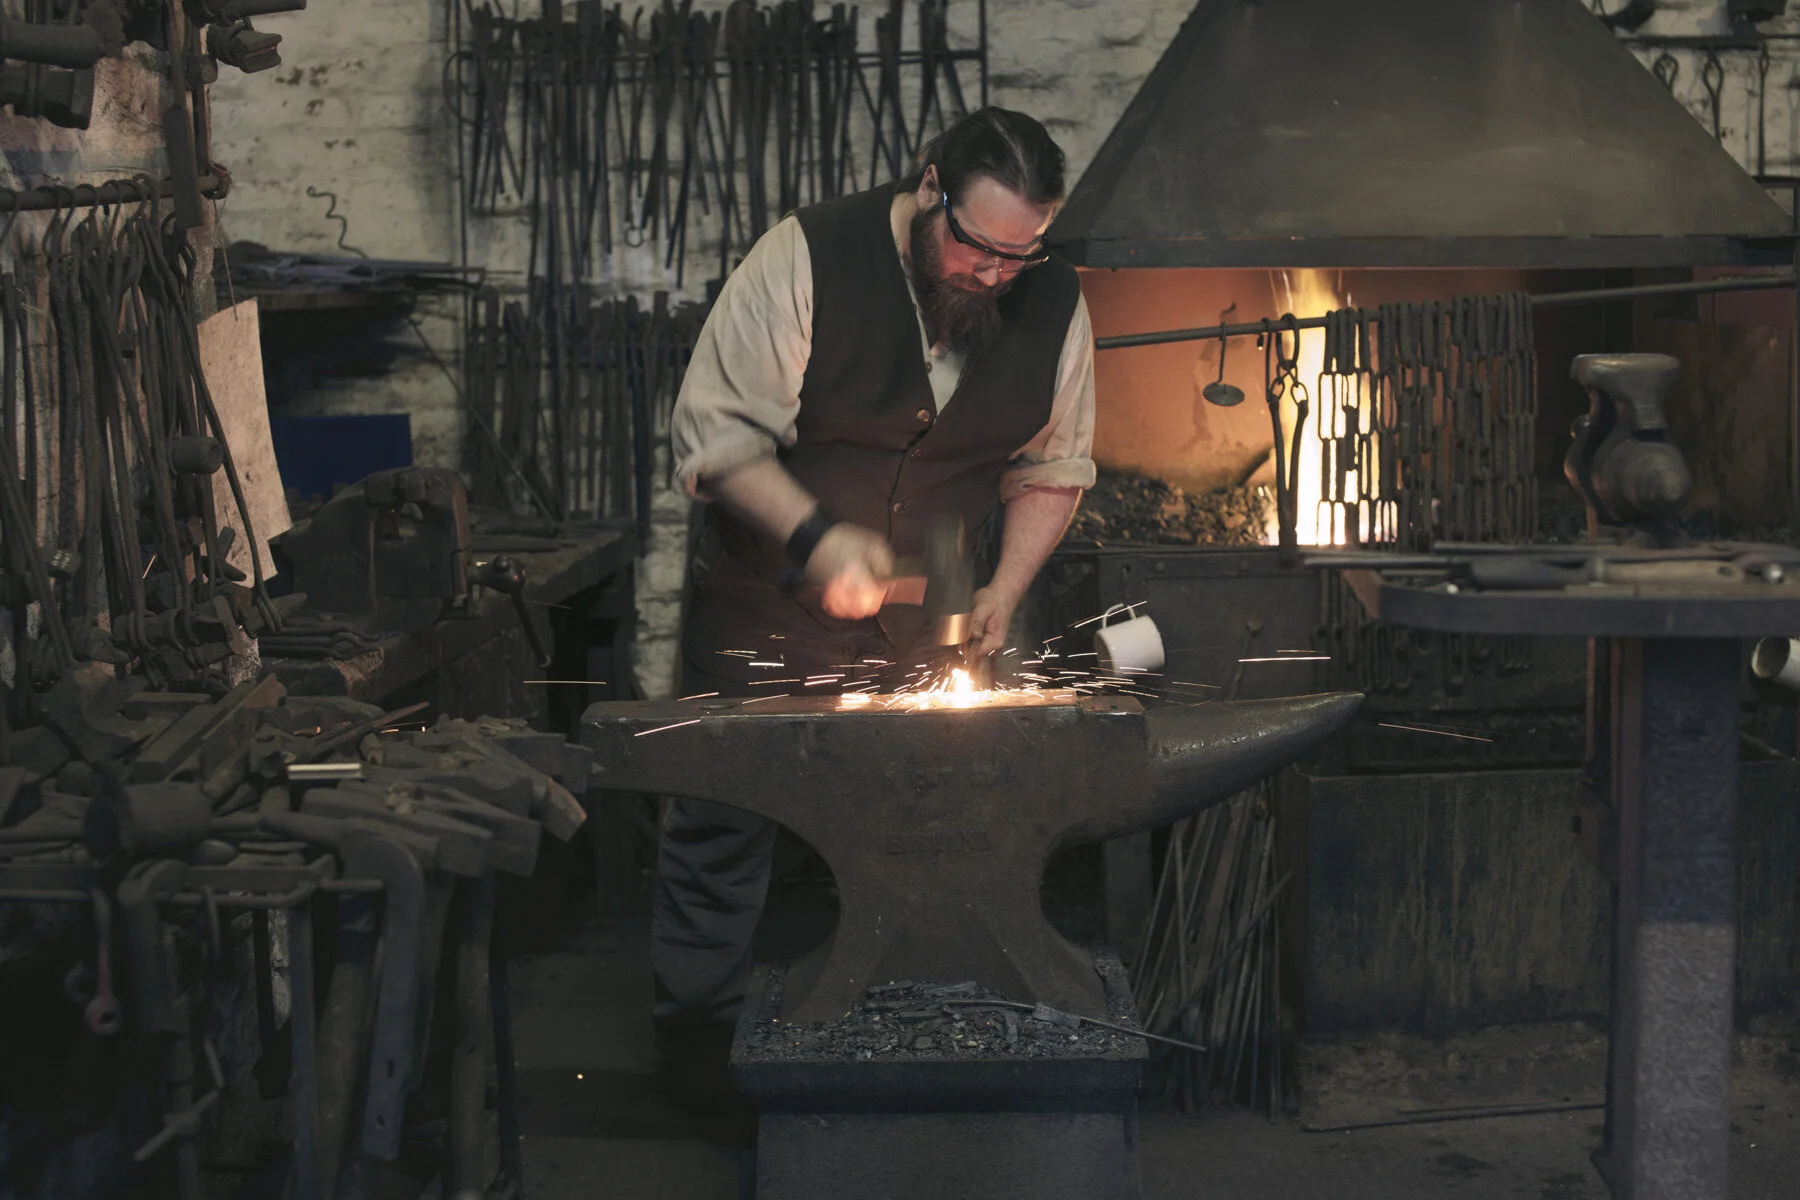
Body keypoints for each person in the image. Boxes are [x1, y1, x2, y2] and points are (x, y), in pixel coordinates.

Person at [654, 106, 1097, 1097]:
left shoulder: (1055, 299)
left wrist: (1002, 591)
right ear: (930, 185)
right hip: (767, 600)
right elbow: (715, 436)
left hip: (931, 614)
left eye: (1018, 257)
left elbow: (1053, 468)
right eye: (977, 247)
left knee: (926, 818)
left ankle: (899, 1041)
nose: (993, 275)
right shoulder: (806, 256)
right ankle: (693, 1058)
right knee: (725, 825)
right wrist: (815, 537)